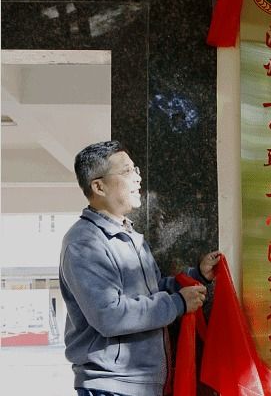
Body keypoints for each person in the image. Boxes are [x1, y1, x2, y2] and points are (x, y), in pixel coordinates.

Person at [59, 140, 222, 396]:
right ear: (99, 186)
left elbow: (153, 289)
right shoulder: (84, 242)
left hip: (142, 384)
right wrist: (178, 303)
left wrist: (196, 276)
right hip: (111, 386)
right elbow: (109, 315)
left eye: (135, 169)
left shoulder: (129, 235)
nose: (138, 178)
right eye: (126, 171)